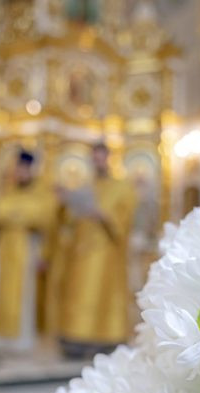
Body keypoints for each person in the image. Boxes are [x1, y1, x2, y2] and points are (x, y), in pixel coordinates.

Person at [59, 142, 137, 358]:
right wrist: (66, 204)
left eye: (101, 157)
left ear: (109, 158)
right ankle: (76, 338)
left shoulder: (122, 187)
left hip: (107, 253)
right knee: (79, 293)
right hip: (82, 250)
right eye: (94, 158)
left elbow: (126, 220)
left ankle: (108, 338)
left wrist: (104, 217)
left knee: (103, 293)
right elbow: (69, 220)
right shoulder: (85, 186)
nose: (98, 162)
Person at [0, 150, 60, 354]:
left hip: (26, 248)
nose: (20, 172)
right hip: (2, 247)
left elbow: (45, 222)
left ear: (32, 170)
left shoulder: (42, 192)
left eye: (24, 168)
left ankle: (20, 340)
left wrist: (44, 254)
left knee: (23, 294)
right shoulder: (7, 190)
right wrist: (10, 215)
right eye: (17, 168)